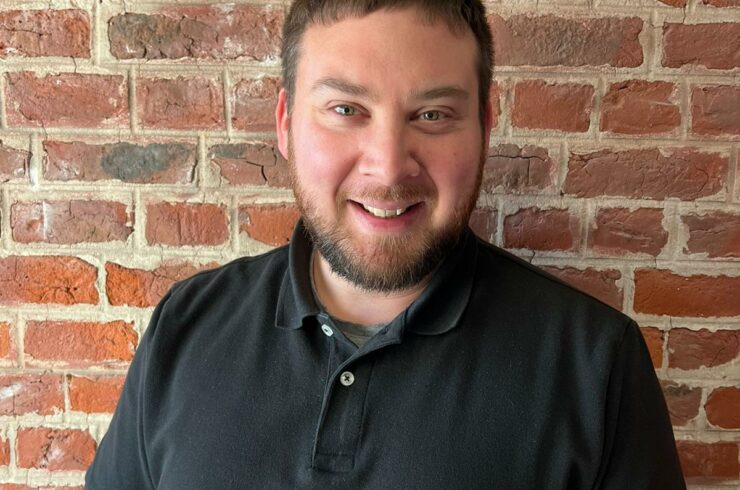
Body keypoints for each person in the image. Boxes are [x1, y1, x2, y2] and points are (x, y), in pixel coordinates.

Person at [85, 1, 686, 488]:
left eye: (432, 115)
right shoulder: (186, 326)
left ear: (484, 126)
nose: (389, 166)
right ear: (286, 124)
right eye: (346, 109)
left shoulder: (596, 364)